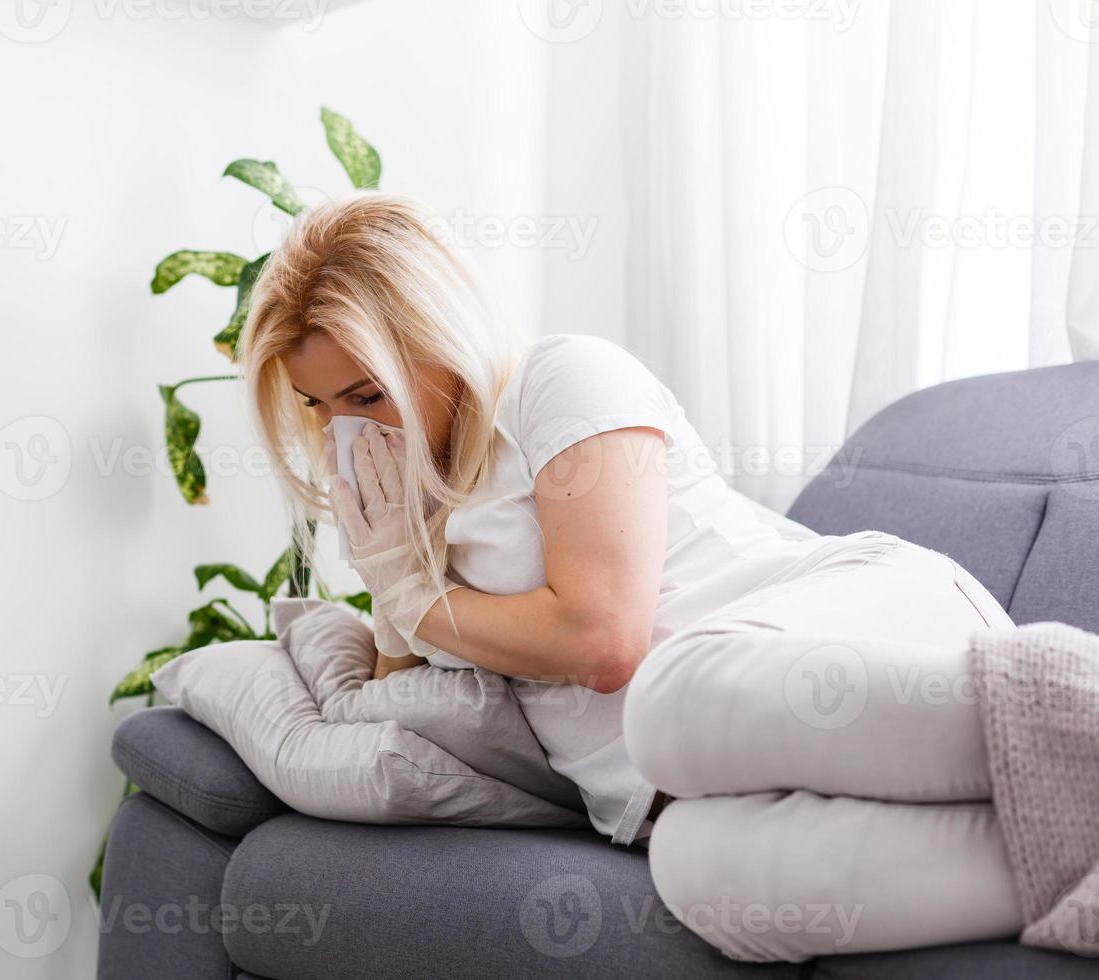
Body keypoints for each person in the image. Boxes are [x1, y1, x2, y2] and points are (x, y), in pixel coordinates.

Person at [236, 190, 1022, 962]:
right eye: (318, 407)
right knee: (696, 872)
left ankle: (1056, 712)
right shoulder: (403, 509)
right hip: (682, 790)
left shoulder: (560, 380)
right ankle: (1057, 847)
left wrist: (412, 594)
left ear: (440, 335)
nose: (349, 432)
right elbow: (394, 702)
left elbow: (605, 640)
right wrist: (394, 569)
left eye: (369, 394)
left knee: (673, 703)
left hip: (861, 612)